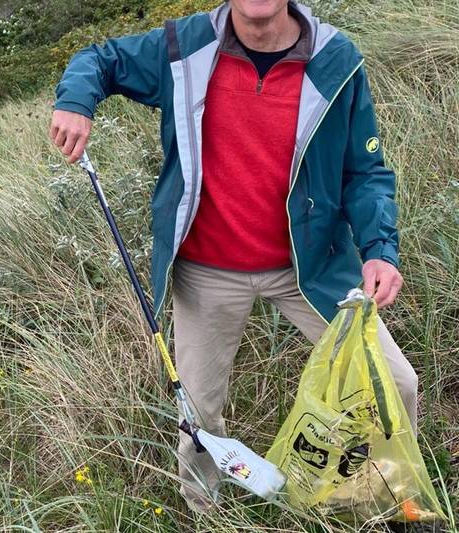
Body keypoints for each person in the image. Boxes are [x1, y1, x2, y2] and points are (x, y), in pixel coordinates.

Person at [49, 0, 419, 514]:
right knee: (198, 413)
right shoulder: (183, 47)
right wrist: (75, 101)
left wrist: (380, 251)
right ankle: (205, 513)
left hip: (309, 267)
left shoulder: (337, 59)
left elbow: (366, 171)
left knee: (396, 383)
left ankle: (383, 503)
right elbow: (100, 59)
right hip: (207, 270)